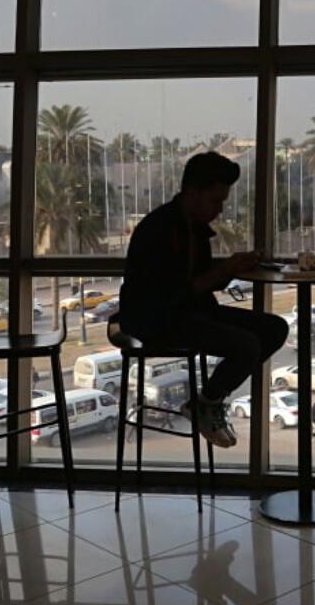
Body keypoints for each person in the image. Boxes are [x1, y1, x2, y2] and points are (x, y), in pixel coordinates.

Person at [119, 152, 289, 448]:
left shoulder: (194, 228)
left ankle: (207, 401)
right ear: (193, 192)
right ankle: (207, 403)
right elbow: (172, 293)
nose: (220, 209)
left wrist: (231, 269)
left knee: (275, 329)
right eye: (216, 201)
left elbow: (198, 283)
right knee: (246, 345)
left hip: (188, 312)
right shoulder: (160, 229)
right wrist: (224, 270)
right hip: (155, 319)